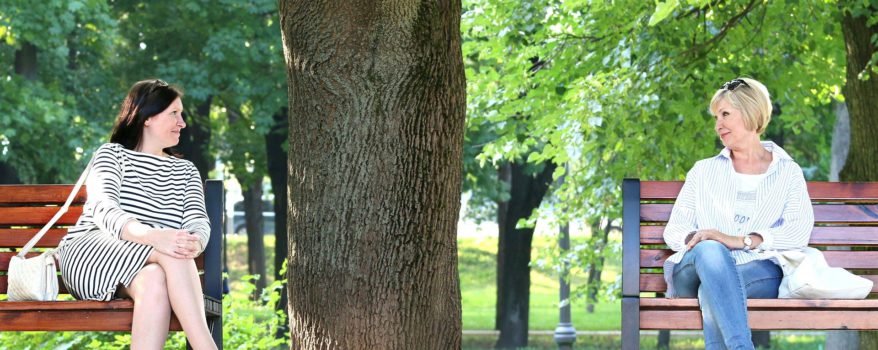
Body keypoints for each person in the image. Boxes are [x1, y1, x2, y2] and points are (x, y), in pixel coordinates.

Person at [57, 79, 217, 349]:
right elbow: (103, 209)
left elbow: (197, 220)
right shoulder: (112, 155)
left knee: (155, 279)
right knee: (170, 250)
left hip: (149, 264)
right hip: (93, 253)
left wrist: (196, 241)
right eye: (174, 114)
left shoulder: (186, 170)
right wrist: (156, 237)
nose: (182, 123)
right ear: (147, 117)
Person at [662, 77, 814, 349]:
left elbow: (798, 230)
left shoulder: (787, 172)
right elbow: (674, 230)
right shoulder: (703, 170)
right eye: (716, 116)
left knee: (713, 289)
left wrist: (741, 240)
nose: (718, 124)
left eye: (725, 114)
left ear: (750, 112)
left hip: (759, 271)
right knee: (711, 251)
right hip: (694, 268)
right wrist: (707, 240)